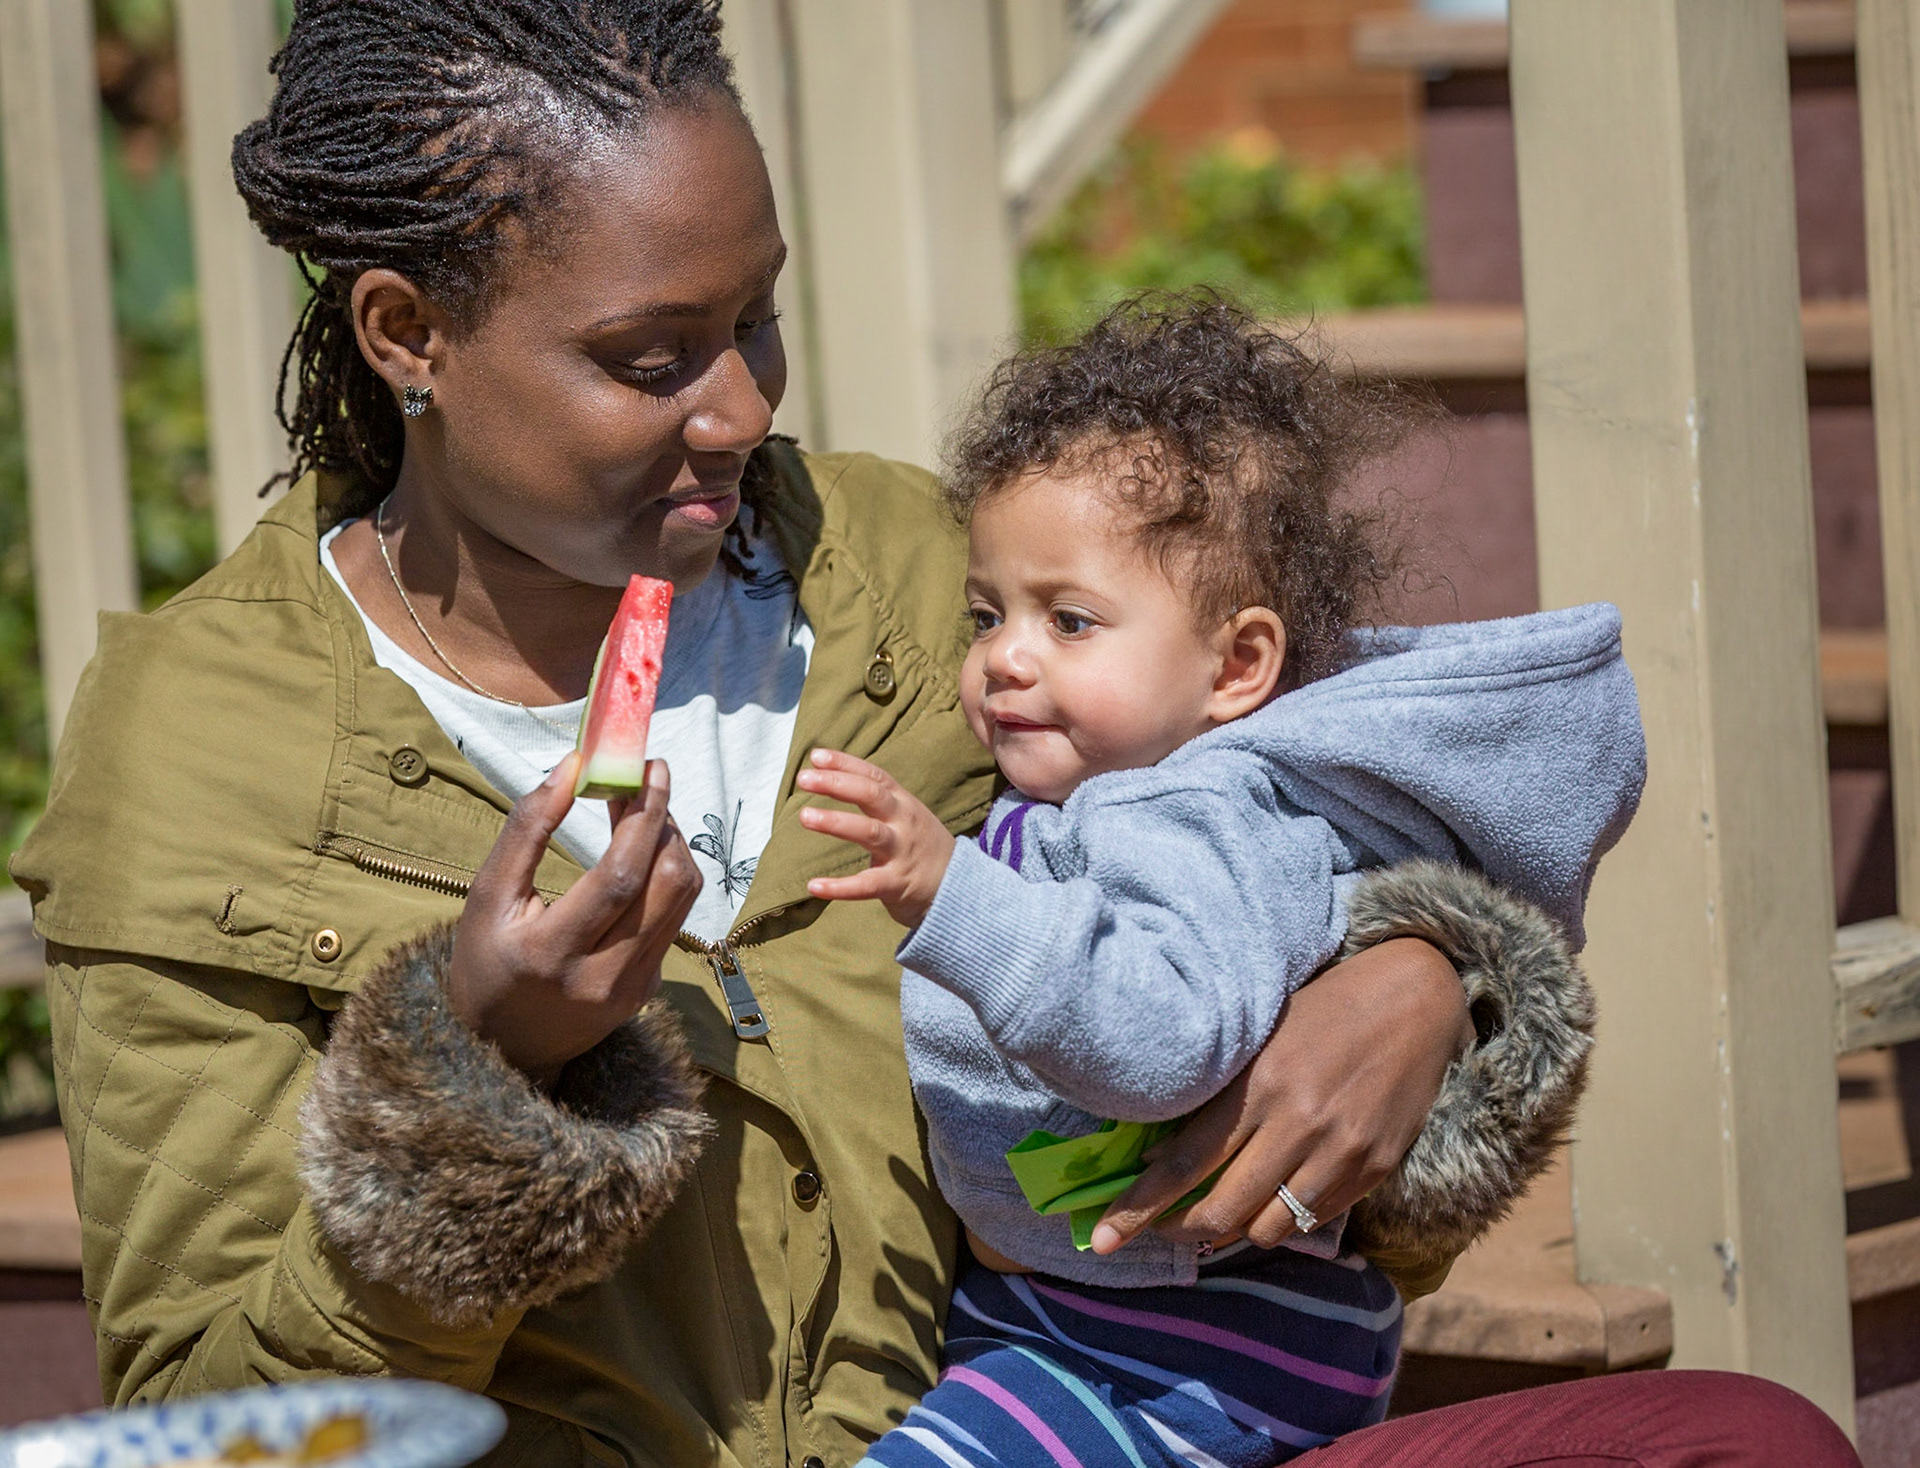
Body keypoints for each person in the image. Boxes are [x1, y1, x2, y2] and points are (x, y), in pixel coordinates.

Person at [7, 4, 1861, 1466]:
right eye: (652, 357)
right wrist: (480, 1081)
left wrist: (1419, 973)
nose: (739, 407)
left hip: (1069, 1418)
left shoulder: (919, 575)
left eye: (762, 320)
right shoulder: (202, 756)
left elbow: (1288, 795)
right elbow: (220, 1428)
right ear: (408, 329)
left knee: (1741, 1436)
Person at [796, 297, 1640, 1468]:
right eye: (988, 614)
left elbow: (1163, 1035)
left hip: (1173, 1348)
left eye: (1071, 619)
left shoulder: (1203, 814)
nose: (1005, 656)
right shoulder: (1087, 799)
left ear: (1239, 664)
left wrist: (952, 894)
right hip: (1084, 1318)